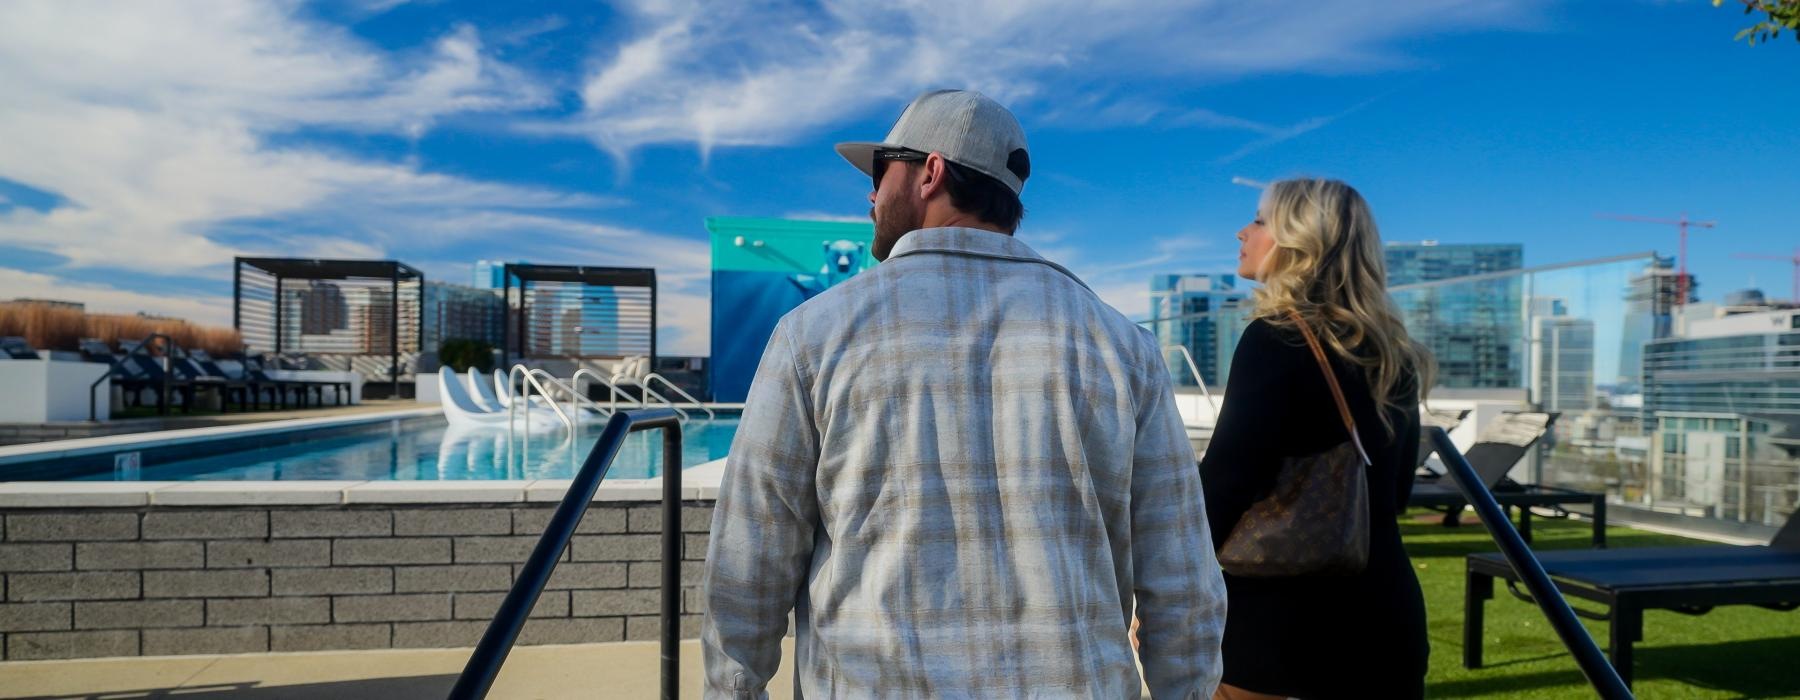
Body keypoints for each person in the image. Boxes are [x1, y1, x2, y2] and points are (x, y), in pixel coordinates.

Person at [701, 88, 1227, 698]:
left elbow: (748, 564)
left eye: (881, 171)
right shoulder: (1121, 345)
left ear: (930, 172)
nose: (871, 194)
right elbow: (1184, 581)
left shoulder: (815, 336)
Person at [1199, 178, 1433, 699]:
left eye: (1260, 220)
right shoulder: (1394, 353)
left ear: (1301, 240)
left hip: (1282, 633)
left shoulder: (1274, 338)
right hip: (1387, 622)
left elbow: (1222, 488)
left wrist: (1164, 588)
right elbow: (1393, 494)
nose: (1243, 231)